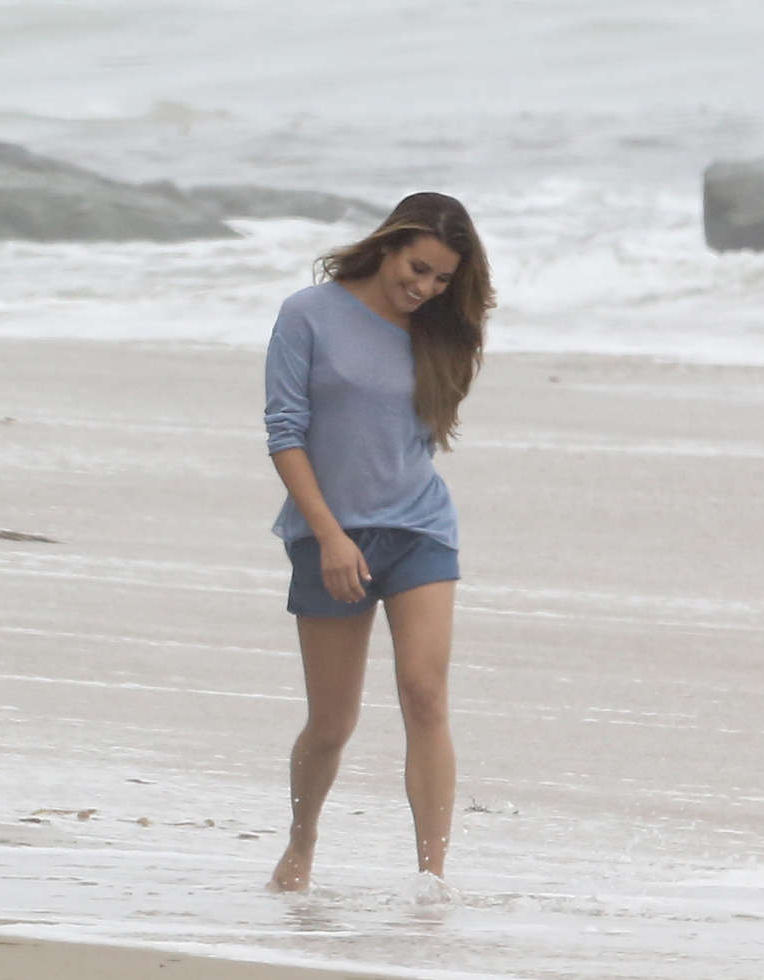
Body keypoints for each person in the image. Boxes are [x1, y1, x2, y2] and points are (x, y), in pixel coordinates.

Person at [263, 191, 494, 891]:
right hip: (328, 535)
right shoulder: (309, 315)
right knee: (332, 723)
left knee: (425, 692)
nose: (424, 288)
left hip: (419, 526)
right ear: (390, 245)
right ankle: (302, 842)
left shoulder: (442, 332)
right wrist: (330, 537)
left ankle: (432, 878)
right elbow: (285, 433)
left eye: (442, 280)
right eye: (417, 268)